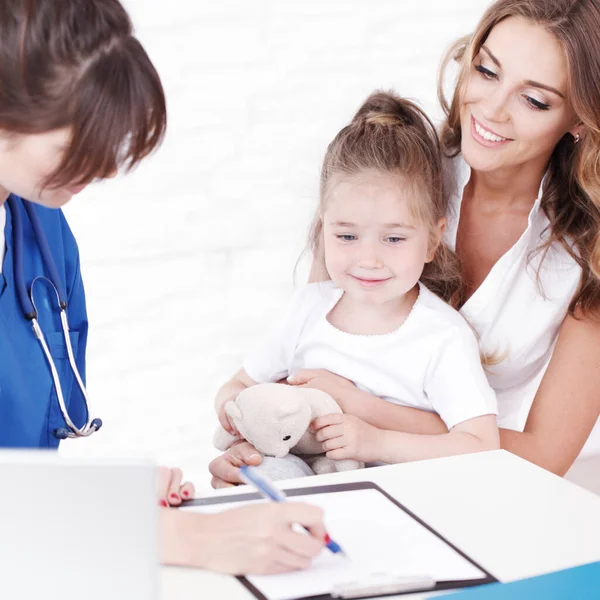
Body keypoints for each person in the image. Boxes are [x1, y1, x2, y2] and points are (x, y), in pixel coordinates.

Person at [210, 0, 600, 487]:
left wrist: (367, 415)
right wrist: (256, 450)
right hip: (334, 469)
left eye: (534, 100)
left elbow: (543, 457)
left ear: (580, 120)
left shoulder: (589, 256)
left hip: (477, 487)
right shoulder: (389, 178)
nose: (493, 110)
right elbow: (306, 362)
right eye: (486, 71)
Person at [0, 0, 325, 575]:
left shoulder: (38, 228)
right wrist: (175, 537)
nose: (101, 171)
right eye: (78, 149)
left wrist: (98, 500)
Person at [215, 91, 499, 476]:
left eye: (394, 238)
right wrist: (240, 422)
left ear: (433, 240)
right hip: (309, 491)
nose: (368, 260)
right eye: (347, 237)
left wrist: (375, 440)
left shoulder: (442, 337)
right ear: (324, 227)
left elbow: (480, 444)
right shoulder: (307, 308)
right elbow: (239, 385)